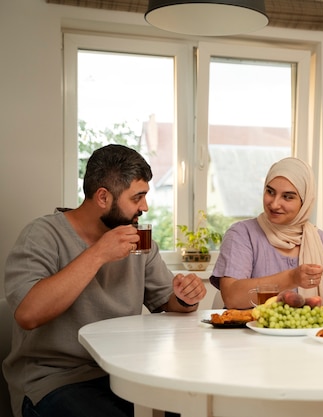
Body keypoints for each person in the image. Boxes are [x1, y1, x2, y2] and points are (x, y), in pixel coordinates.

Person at [2, 144, 207, 417]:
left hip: (122, 374)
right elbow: (28, 314)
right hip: (55, 381)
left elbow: (167, 302)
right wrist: (98, 254)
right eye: (137, 197)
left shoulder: (138, 241)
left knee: (188, 405)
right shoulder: (43, 235)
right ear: (102, 197)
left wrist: (185, 296)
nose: (144, 207)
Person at [210, 157, 323, 309]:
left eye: (287, 197)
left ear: (305, 202)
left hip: (309, 333)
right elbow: (232, 297)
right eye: (270, 192)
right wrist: (291, 278)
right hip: (248, 332)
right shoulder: (242, 234)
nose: (274, 204)